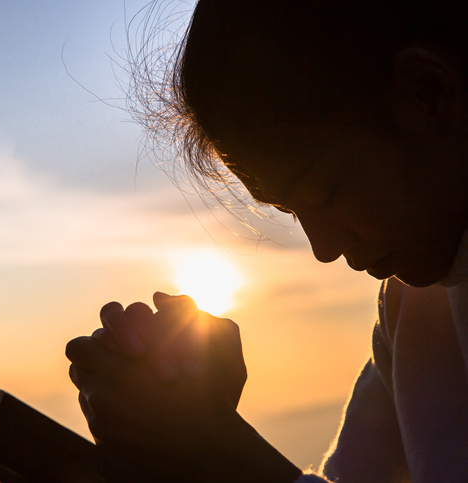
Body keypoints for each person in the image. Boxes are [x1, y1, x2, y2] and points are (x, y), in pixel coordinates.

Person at [66, 1, 468, 482]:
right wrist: (180, 425)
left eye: (326, 192)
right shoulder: (414, 308)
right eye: (289, 210)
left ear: (426, 93)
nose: (324, 249)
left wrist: (214, 448)